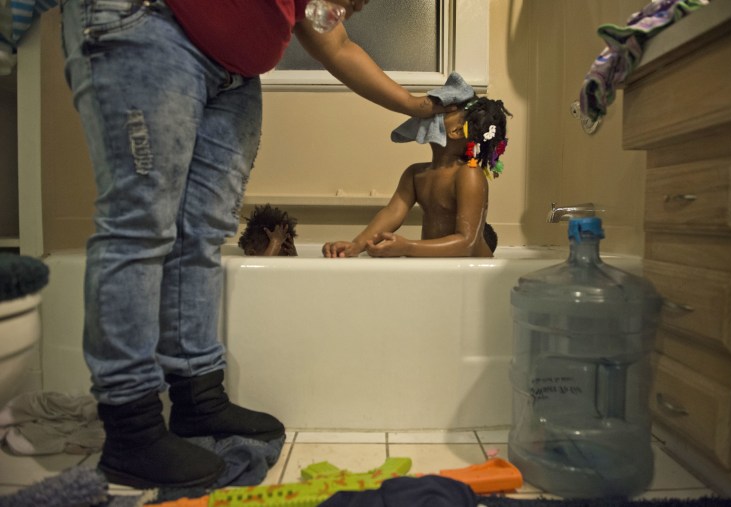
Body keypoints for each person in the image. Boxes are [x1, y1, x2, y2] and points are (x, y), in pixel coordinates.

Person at [59, 0, 453, 489]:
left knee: (201, 235)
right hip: (149, 22)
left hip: (235, 73)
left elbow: (336, 44)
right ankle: (131, 428)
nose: (352, 9)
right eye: (355, 1)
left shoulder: (318, 11)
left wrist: (420, 106)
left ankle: (198, 399)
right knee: (140, 225)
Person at [323, 73, 511, 258]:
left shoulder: (468, 174)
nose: (430, 112)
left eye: (442, 110)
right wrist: (356, 245)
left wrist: (408, 247)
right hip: (443, 268)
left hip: (474, 272)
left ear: (456, 131)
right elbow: (392, 213)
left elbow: (467, 243)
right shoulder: (415, 174)